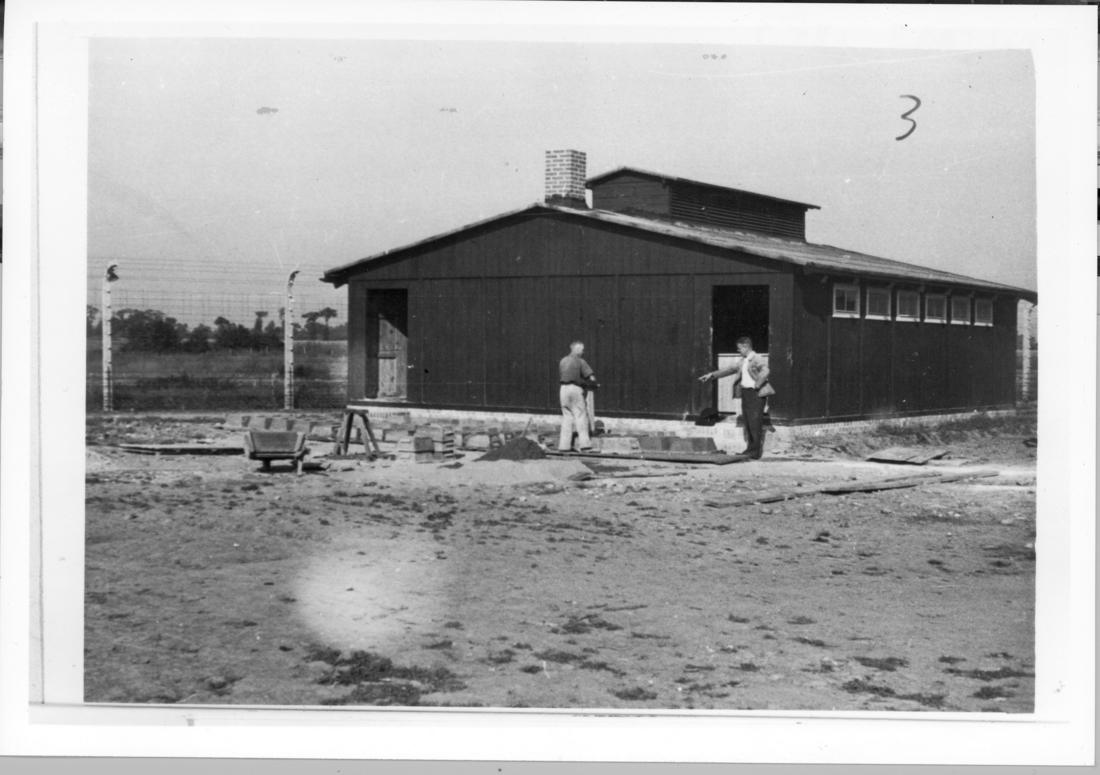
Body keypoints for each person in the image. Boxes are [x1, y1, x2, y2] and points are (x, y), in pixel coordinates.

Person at [698, 336, 775, 460]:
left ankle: (755, 452)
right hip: (746, 393)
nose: (738, 351)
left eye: (739, 348)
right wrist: (711, 375)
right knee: (748, 422)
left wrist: (757, 384)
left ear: (746, 347)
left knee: (754, 423)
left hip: (755, 393)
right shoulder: (743, 361)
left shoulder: (757, 358)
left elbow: (766, 371)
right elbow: (729, 369)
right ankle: (750, 450)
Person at [558, 341, 597, 452]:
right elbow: (591, 377)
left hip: (563, 389)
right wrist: (593, 383)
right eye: (582, 350)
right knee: (580, 416)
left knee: (567, 417)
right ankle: (585, 445)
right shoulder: (580, 361)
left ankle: (564, 446)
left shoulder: (563, 361)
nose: (583, 352)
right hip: (575, 389)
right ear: (577, 349)